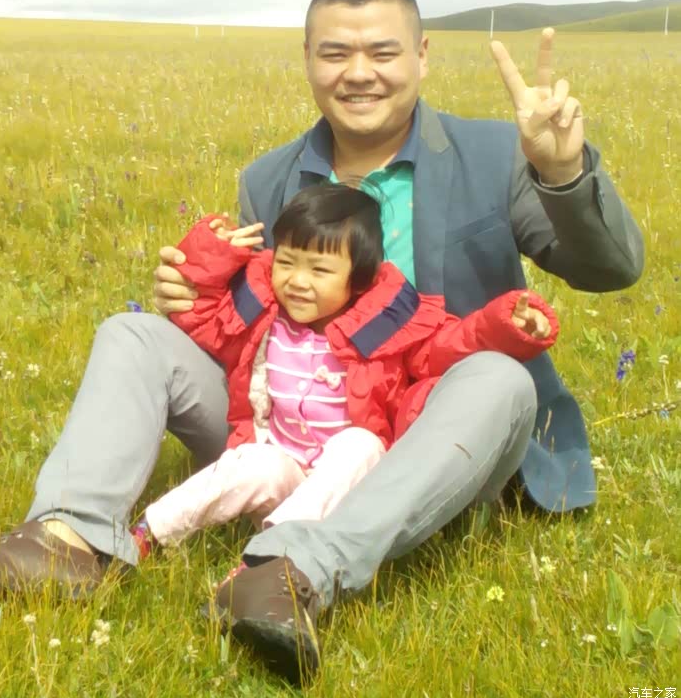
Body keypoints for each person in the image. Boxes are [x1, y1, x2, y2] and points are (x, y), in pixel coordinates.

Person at [0, 0, 643, 679]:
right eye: (335, 53)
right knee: (132, 332)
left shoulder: (495, 156)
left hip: (432, 430)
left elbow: (612, 269)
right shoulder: (269, 179)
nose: (359, 73)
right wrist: (192, 289)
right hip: (294, 432)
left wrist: (562, 173)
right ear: (307, 58)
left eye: (382, 51)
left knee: (500, 377)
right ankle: (69, 539)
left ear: (422, 55)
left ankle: (294, 569)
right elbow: (256, 330)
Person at [132, 184, 557, 572]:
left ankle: (273, 559)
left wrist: (505, 325)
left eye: (320, 271)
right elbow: (202, 315)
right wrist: (212, 252)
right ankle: (149, 532)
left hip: (350, 489)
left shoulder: (386, 322)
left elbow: (450, 346)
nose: (297, 282)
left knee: (360, 443)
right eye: (285, 263)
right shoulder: (265, 317)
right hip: (282, 469)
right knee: (250, 463)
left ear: (358, 281)